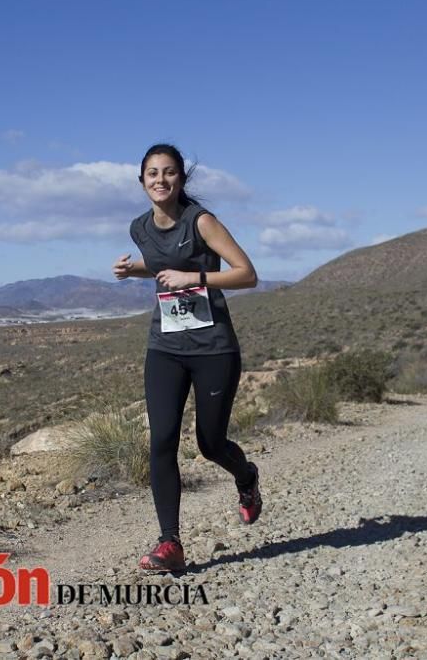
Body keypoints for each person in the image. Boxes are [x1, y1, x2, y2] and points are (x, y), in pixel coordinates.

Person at [112, 143, 262, 572]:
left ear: (181, 179)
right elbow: (162, 262)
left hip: (214, 348)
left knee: (210, 443)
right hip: (166, 347)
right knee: (161, 441)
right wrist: (134, 270)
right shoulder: (139, 228)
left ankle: (246, 477)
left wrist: (193, 277)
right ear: (142, 181)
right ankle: (169, 543)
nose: (160, 180)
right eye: (152, 174)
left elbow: (247, 274)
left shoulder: (202, 221)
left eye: (169, 173)